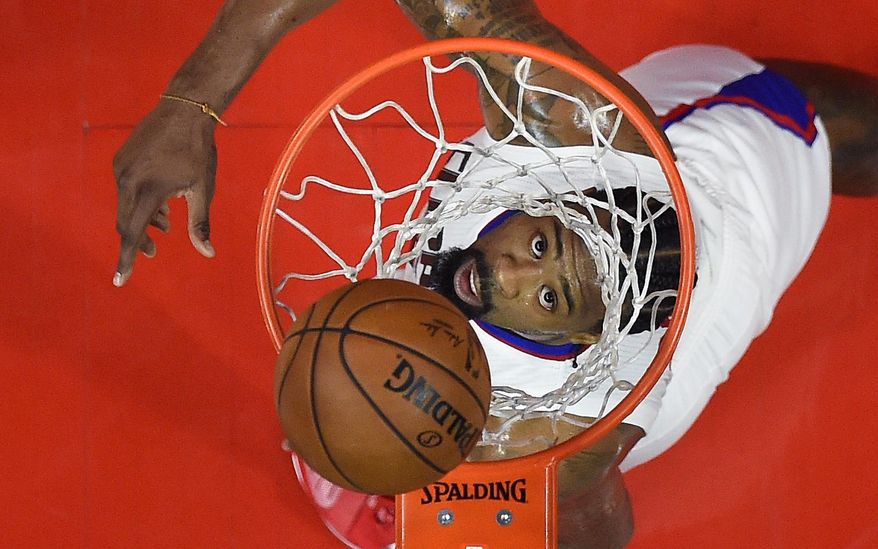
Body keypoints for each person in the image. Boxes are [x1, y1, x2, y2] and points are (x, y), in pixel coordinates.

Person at [112, 1, 878, 547]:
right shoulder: (575, 126)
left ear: (584, 341)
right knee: (783, 100)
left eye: (548, 294)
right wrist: (190, 102)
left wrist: (409, 460)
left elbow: (597, 530)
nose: (507, 269)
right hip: (716, 125)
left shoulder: (564, 430)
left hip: (759, 199)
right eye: (541, 246)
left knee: (822, 130)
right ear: (561, 199)